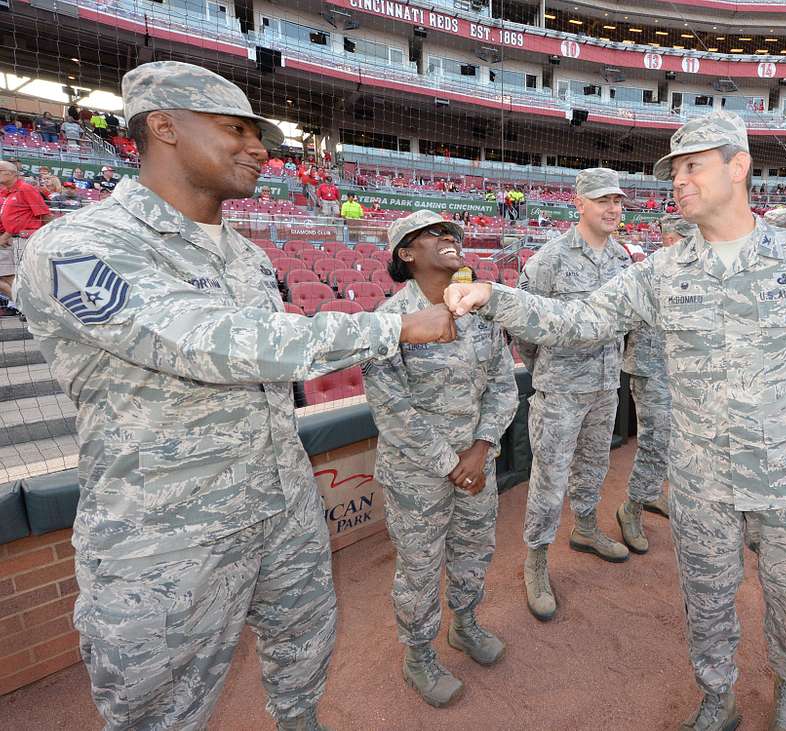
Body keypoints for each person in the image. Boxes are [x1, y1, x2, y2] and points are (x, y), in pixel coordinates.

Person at [12, 60, 455, 731]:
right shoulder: (77, 247)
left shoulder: (247, 256)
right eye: (235, 129)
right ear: (163, 127)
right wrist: (389, 327)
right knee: (157, 712)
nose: (260, 148)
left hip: (281, 504)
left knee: (305, 652)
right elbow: (204, 340)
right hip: (166, 537)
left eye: (261, 134)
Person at [444, 111, 786, 731]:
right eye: (674, 169)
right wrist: (498, 298)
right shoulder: (662, 271)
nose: (678, 180)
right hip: (701, 481)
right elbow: (578, 321)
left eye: (693, 166)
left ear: (739, 167)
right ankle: (718, 696)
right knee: (707, 601)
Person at [363, 210, 518, 708]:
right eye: (434, 234)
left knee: (473, 554)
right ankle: (419, 655)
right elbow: (391, 409)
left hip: (477, 465)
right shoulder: (390, 322)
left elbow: (502, 385)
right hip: (418, 477)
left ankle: (466, 626)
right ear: (406, 254)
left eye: (452, 233)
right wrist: (450, 463)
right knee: (420, 569)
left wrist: (481, 448)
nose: (449, 239)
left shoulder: (480, 312)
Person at [515, 168, 633, 622]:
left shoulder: (623, 258)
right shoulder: (549, 260)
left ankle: (585, 528)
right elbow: (525, 328)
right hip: (561, 390)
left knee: (594, 464)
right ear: (579, 203)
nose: (612, 209)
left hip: (606, 384)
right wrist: (546, 370)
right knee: (549, 477)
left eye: (618, 201)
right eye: (603, 200)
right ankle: (537, 559)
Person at [616, 214, 694, 554]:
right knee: (655, 440)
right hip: (651, 369)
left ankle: (650, 493)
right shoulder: (647, 275)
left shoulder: (693, 274)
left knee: (673, 440)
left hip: (680, 372)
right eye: (686, 240)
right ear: (670, 238)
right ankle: (631, 507)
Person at [0, 159, 52, 308]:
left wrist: (49, 237)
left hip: (26, 239)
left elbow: (45, 215)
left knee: (28, 277)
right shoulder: (8, 192)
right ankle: (28, 308)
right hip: (13, 240)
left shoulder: (25, 189)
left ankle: (36, 308)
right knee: (16, 278)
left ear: (11, 173)